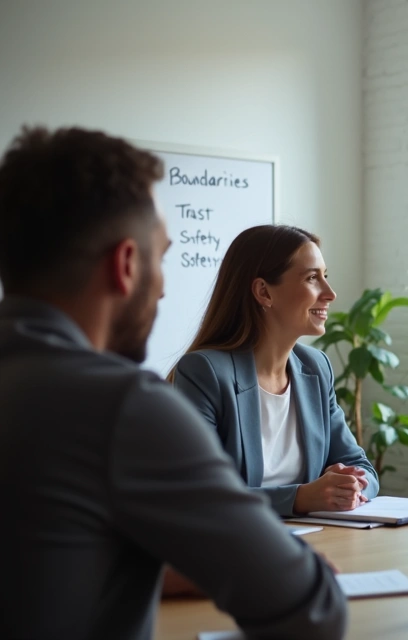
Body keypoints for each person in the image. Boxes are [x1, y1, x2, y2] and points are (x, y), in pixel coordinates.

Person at [0, 126, 345, 639]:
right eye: (161, 258)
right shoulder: (120, 407)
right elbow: (311, 610)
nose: (163, 289)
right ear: (125, 266)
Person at [171, 225, 378, 517]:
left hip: (318, 539)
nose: (330, 293)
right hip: (235, 547)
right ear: (263, 292)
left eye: (325, 277)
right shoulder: (204, 372)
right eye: (311, 278)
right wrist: (300, 498)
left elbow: (364, 468)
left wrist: (351, 487)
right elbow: (199, 493)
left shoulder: (316, 368)